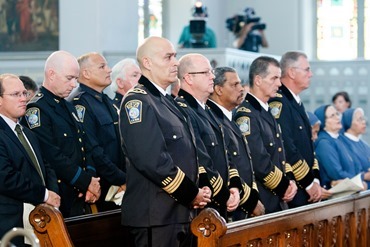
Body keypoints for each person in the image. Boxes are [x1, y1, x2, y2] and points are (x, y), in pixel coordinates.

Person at [119, 36, 211, 246]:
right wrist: (191, 193)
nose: (175, 62)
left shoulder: (167, 102)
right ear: (147, 63)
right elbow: (152, 160)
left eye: (175, 56)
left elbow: (190, 152)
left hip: (178, 213)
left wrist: (200, 189)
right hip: (155, 216)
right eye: (168, 57)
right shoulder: (138, 101)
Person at [21, 51, 101, 217]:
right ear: (51, 74)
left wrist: (90, 181)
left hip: (82, 194)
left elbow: (85, 146)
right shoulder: (37, 109)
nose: (73, 85)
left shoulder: (68, 106)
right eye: (69, 78)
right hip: (61, 196)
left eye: (76, 79)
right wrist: (85, 182)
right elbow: (52, 156)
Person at [176, 53, 241, 219]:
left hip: (220, 202)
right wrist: (224, 194)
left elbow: (226, 153)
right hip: (206, 203)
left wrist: (234, 186)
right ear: (189, 78)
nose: (212, 76)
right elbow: (201, 159)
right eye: (206, 73)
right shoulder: (183, 110)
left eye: (211, 72)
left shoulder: (207, 110)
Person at [0, 73, 60, 246]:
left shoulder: (26, 132)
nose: (23, 99)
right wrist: (45, 194)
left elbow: (46, 166)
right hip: (10, 226)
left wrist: (52, 194)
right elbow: (6, 177)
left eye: (24, 93)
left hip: (40, 219)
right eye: (15, 94)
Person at [233, 56, 297, 214]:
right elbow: (259, 161)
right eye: (274, 78)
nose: (279, 84)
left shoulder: (266, 111)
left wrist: (290, 180)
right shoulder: (246, 115)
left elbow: (280, 154)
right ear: (258, 80)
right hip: (263, 198)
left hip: (277, 199)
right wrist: (284, 186)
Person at [68, 52, 126, 212]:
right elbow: (93, 149)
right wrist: (120, 178)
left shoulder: (104, 99)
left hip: (119, 184)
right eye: (102, 66)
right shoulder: (81, 102)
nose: (109, 70)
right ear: (85, 73)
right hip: (103, 187)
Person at [207, 66, 265, 220]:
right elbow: (227, 166)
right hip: (232, 205)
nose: (241, 89)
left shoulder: (228, 118)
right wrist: (250, 201)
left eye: (240, 84)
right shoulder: (214, 120)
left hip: (241, 204)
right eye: (234, 85)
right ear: (218, 90)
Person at [268, 51, 321, 207]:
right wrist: (309, 183)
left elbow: (308, 146)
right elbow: (287, 147)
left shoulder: (294, 101)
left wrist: (315, 180)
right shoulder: (280, 102)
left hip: (306, 186)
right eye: (307, 69)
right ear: (291, 72)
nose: (310, 74)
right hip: (295, 188)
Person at [314, 105, 365, 190]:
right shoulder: (324, 143)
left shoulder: (340, 138)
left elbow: (356, 163)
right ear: (323, 122)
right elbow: (335, 173)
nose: (337, 118)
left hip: (353, 187)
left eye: (337, 114)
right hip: (338, 192)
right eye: (332, 116)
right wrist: (359, 180)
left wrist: (360, 177)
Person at [340, 107, 370, 188]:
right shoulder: (342, 143)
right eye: (359, 119)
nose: (364, 122)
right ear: (349, 121)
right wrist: (364, 176)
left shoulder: (364, 144)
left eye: (363, 118)